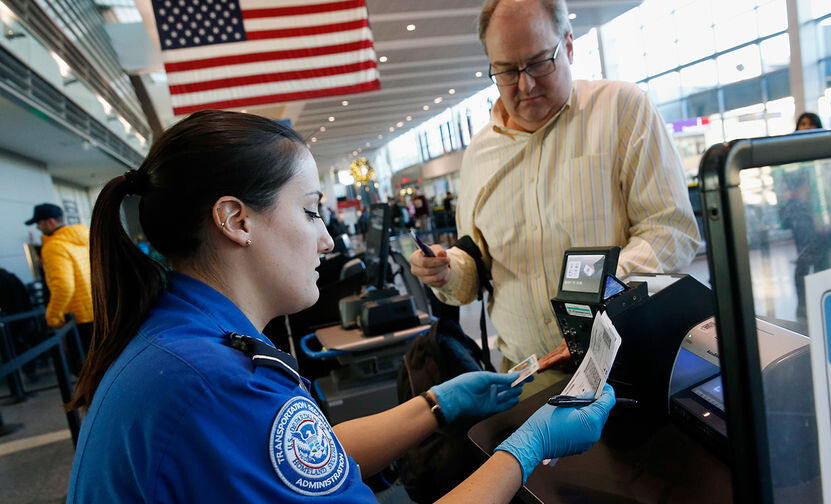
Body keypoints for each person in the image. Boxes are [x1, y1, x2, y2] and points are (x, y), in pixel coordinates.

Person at [65, 110, 615, 503]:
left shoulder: (184, 342)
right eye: (310, 212)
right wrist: (527, 447)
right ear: (236, 221)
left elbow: (303, 460)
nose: (327, 239)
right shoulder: (218, 382)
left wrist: (434, 404)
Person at [410, 0, 699, 388]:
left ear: (569, 45)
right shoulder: (479, 153)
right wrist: (447, 270)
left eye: (539, 62)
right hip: (528, 376)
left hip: (624, 364)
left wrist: (598, 300)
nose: (525, 83)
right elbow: (476, 266)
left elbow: (671, 230)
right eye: (508, 71)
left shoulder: (622, 110)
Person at [25, 203, 93, 365]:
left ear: (50, 222)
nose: (38, 228)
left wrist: (53, 317)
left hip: (78, 317)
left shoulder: (53, 246)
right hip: (97, 308)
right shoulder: (84, 238)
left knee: (80, 365)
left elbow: (64, 286)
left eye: (39, 223)